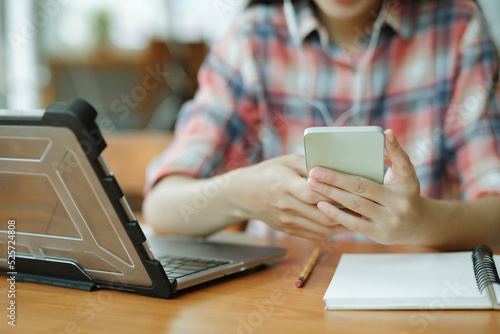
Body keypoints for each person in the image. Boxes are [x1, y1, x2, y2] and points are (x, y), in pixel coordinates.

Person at [143, 0, 500, 250]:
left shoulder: (457, 27)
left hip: (414, 299)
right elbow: (162, 208)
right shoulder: (252, 36)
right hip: (282, 298)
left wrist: (421, 220)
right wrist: (243, 194)